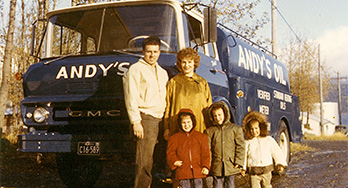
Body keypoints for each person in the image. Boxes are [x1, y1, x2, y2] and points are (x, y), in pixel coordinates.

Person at [123, 36, 169, 188]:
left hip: (160, 119)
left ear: (159, 52)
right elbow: (131, 97)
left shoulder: (162, 73)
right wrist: (136, 122)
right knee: (144, 161)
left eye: (155, 51)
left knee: (156, 160)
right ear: (143, 52)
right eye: (149, 51)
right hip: (145, 118)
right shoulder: (136, 69)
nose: (152, 55)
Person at [163, 47, 212, 141]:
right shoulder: (174, 82)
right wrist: (166, 128)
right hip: (177, 128)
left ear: (194, 63)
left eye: (190, 62)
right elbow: (168, 106)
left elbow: (208, 106)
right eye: (184, 62)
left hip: (199, 127)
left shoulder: (202, 82)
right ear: (180, 64)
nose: (187, 65)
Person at [204, 101, 245, 188]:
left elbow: (240, 147)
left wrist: (238, 161)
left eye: (219, 115)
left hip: (231, 164)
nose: (217, 118)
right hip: (216, 165)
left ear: (225, 114)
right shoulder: (210, 131)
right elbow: (208, 149)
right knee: (217, 185)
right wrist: (208, 164)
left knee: (230, 185)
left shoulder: (235, 129)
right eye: (215, 115)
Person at [241, 111, 287, 188]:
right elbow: (244, 155)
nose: (254, 131)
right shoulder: (248, 142)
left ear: (261, 127)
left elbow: (276, 151)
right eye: (251, 129)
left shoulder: (268, 140)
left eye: (256, 128)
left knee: (267, 186)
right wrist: (243, 168)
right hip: (254, 172)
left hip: (267, 170)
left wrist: (279, 163)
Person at [167, 108, 211, 188]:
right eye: (183, 123)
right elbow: (170, 153)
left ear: (193, 122)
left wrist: (205, 166)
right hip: (183, 172)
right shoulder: (174, 138)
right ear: (179, 124)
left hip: (198, 171)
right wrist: (174, 161)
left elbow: (205, 153)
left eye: (188, 122)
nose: (186, 125)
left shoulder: (201, 137)